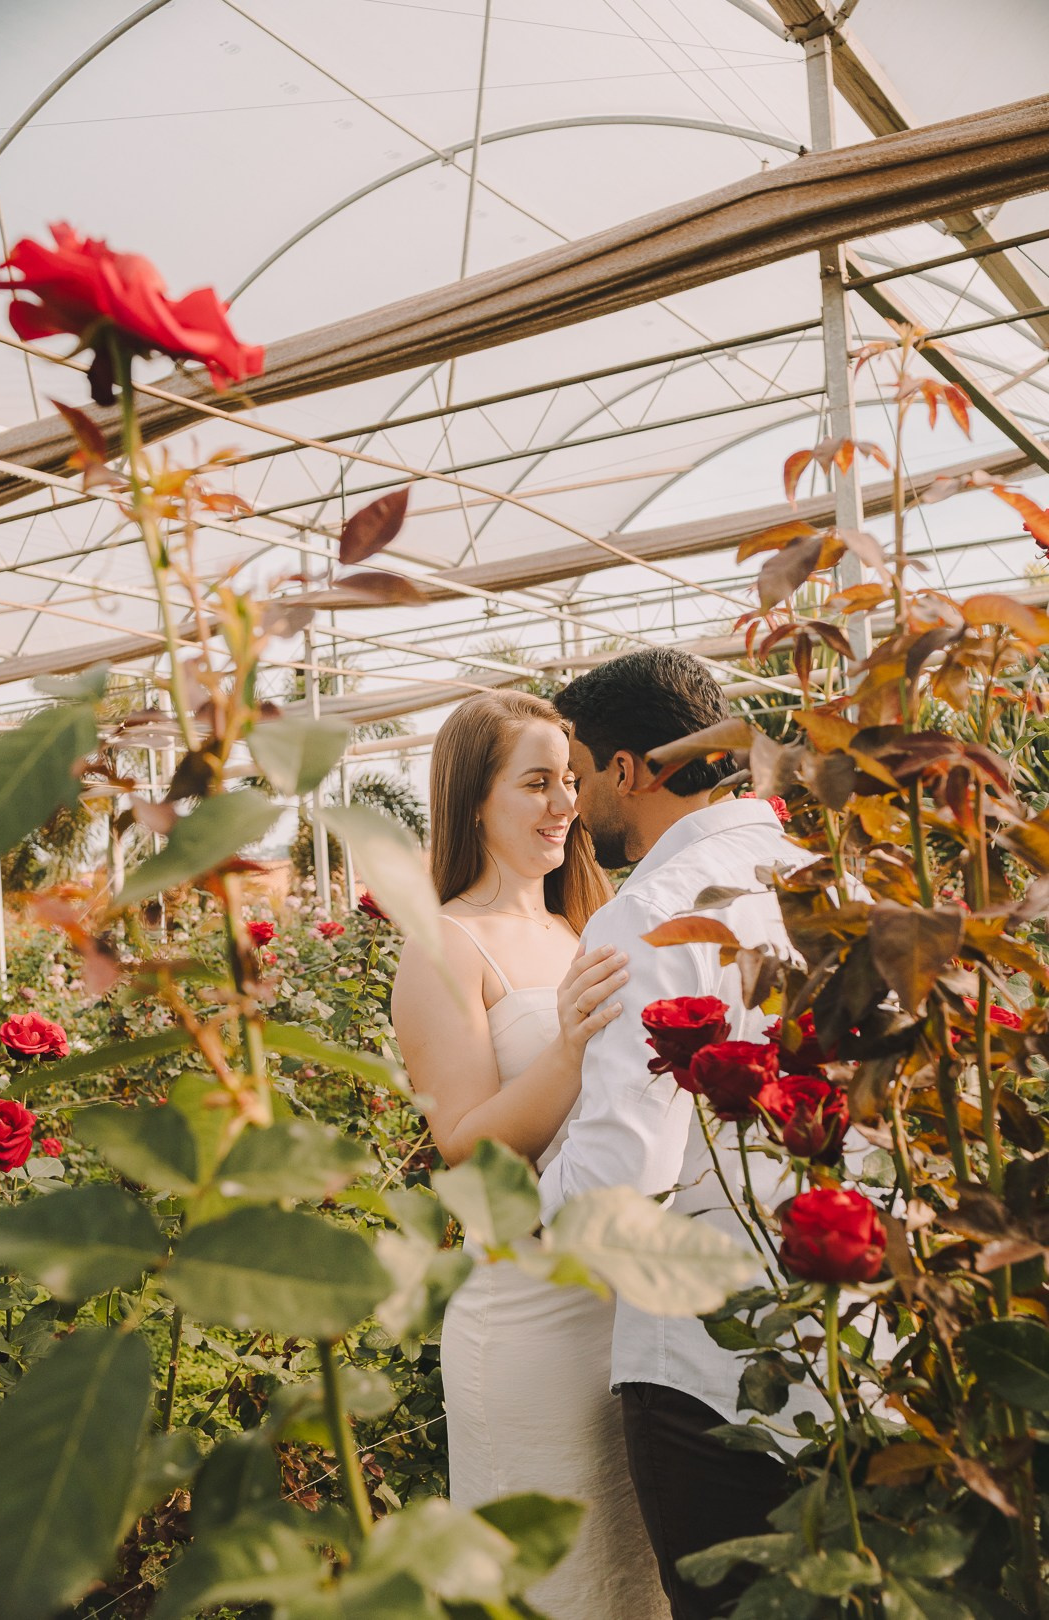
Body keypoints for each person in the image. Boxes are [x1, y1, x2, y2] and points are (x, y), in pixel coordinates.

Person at [392, 689, 668, 1620]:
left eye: (570, 782)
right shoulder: (445, 945)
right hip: (526, 1320)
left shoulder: (584, 926)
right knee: (553, 1580)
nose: (566, 805)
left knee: (630, 1573)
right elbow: (465, 1152)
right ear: (475, 799)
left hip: (617, 1309)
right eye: (536, 783)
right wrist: (570, 1047)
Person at [537, 647, 799, 1620]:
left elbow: (621, 1179)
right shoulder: (822, 880)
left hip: (709, 1365)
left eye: (577, 769)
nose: (573, 804)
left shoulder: (644, 913)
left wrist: (502, 1209)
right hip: (847, 1335)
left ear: (629, 771)